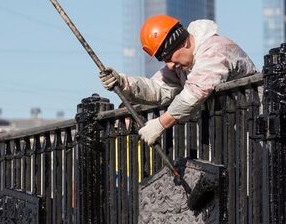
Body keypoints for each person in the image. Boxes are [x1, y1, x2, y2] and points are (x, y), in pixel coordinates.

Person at [100, 15, 256, 145]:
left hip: (254, 125)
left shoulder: (214, 49)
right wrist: (122, 82)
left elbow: (196, 91)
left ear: (185, 42)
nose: (170, 65)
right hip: (230, 132)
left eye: (170, 58)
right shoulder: (183, 66)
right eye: (165, 60)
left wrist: (161, 123)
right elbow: (158, 88)